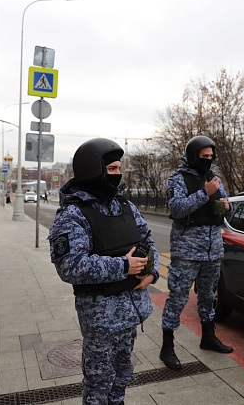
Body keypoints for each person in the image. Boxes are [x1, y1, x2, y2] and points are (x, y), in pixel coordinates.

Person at [48, 138, 159, 405]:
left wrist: (151, 273)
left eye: (119, 168)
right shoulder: (72, 215)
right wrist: (123, 266)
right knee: (99, 382)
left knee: (123, 372)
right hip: (101, 320)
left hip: (130, 313)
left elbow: (148, 241)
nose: (117, 174)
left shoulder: (126, 207)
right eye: (111, 169)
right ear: (92, 171)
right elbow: (70, 266)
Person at [160, 136, 233, 370]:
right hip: (187, 251)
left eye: (212, 157)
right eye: (205, 157)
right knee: (178, 297)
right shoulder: (178, 179)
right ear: (194, 156)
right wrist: (204, 193)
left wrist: (226, 204)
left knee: (208, 296)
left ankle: (208, 338)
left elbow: (225, 203)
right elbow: (177, 208)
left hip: (213, 250)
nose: (209, 160)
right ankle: (167, 346)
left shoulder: (213, 178)